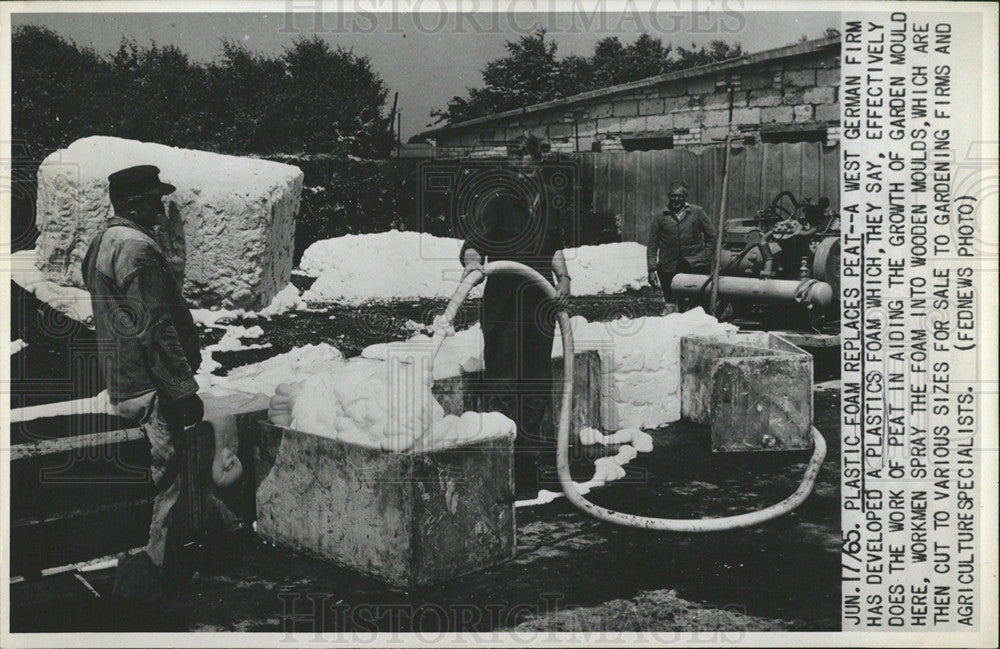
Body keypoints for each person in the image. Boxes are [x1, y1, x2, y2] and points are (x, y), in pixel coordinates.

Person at [82, 165, 203, 603]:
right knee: (165, 483)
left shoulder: (101, 243)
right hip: (150, 386)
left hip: (121, 380)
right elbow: (156, 327)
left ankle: (145, 573)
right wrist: (182, 389)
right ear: (135, 204)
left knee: (144, 483)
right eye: (153, 199)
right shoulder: (138, 249)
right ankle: (152, 580)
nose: (160, 206)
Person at [459, 135, 571, 490]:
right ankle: (502, 456)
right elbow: (474, 242)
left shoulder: (549, 202)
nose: (516, 161)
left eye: (523, 155)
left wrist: (564, 277)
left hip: (539, 304)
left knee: (536, 378)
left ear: (537, 161)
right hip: (505, 306)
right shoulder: (500, 199)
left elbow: (555, 245)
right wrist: (473, 263)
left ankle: (528, 456)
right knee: (505, 379)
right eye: (512, 155)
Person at [646, 182, 718, 311]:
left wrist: (705, 256)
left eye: (680, 196)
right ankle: (674, 327)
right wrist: (651, 269)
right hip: (668, 267)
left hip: (695, 266)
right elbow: (652, 244)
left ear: (686, 197)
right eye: (673, 196)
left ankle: (698, 328)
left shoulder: (697, 212)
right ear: (669, 196)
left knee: (697, 302)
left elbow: (712, 236)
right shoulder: (660, 216)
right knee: (671, 302)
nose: (676, 199)